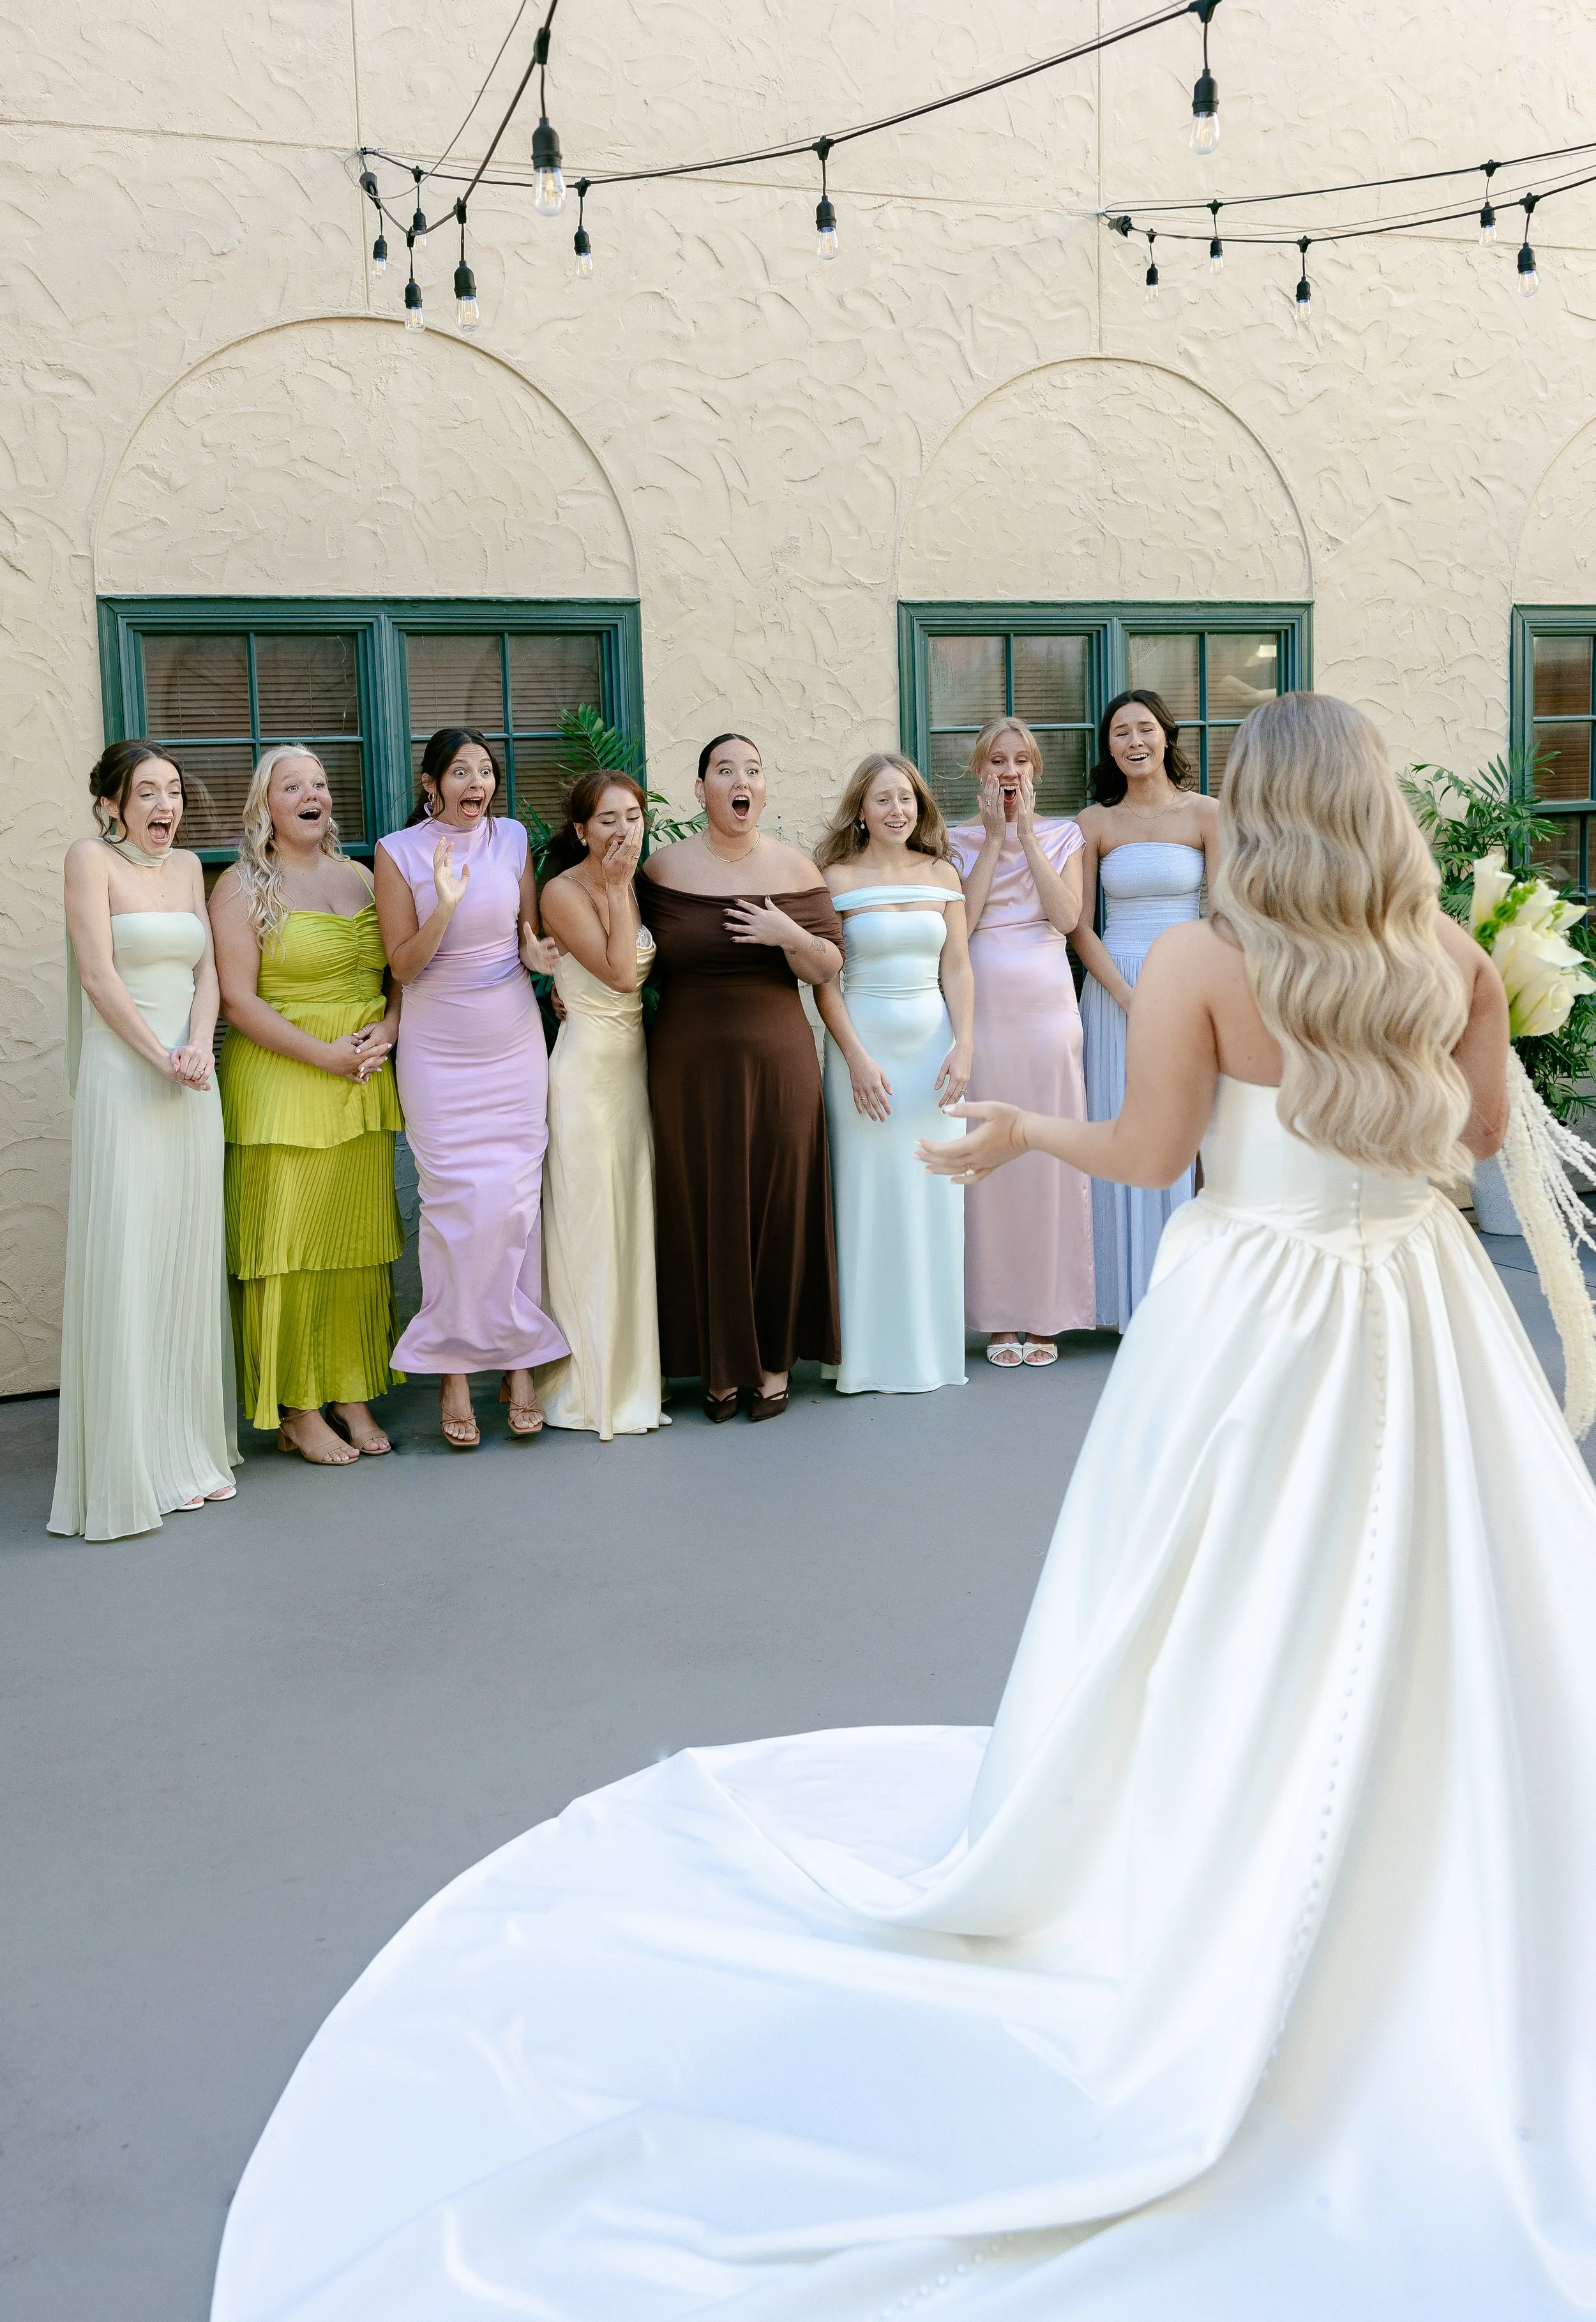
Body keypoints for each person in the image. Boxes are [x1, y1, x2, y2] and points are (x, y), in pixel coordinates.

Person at [218, 694, 1596, 2322]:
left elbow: (1152, 1154)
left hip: (1262, 1321)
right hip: (1420, 1315)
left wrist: (1023, 1127)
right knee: (1449, 1586)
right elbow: (1487, 1136)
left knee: (1226, 1598)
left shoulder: (1211, 969)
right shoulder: (1446, 959)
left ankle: (1231, 1838)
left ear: (1265, 814)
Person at [50, 741, 237, 1539]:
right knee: (131, 1257)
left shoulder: (191, 868)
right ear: (112, 805)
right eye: (148, 792)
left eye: (173, 792)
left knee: (184, 1259)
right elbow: (98, 976)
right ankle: (134, 1465)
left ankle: (188, 1449)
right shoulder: (87, 859)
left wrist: (198, 1047)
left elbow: (210, 976)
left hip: (192, 1081)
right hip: (127, 1078)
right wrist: (159, 1056)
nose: (166, 806)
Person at [638, 733, 844, 1421]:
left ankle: (772, 1362)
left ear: (763, 788)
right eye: (724, 769)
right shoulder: (662, 872)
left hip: (778, 1063)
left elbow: (825, 969)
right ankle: (717, 1367)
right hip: (686, 1067)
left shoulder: (795, 868)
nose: (740, 779)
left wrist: (788, 935)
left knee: (778, 1203)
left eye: (751, 769)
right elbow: (625, 951)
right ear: (700, 790)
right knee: (699, 1202)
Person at [210, 747, 403, 1466]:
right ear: (266, 804)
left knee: (352, 1246)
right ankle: (296, 1406)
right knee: (290, 1249)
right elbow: (238, 1000)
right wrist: (328, 1057)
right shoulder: (239, 888)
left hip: (361, 1082)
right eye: (293, 785)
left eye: (319, 783)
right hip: (286, 1080)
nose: (310, 793)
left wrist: (388, 1027)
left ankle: (350, 1390)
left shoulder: (359, 876)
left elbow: (399, 970)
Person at [373, 730, 566, 1449]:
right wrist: (445, 907)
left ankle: (518, 1362)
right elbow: (404, 966)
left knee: (514, 1202)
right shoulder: (397, 854)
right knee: (453, 1205)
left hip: (512, 1038)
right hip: (438, 1048)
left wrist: (539, 954)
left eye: (486, 771)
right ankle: (453, 1369)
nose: (477, 783)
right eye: (461, 772)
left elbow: (526, 935)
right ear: (432, 784)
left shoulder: (512, 838)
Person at [813, 753, 973, 1394]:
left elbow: (957, 967)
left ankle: (931, 1355)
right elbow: (825, 979)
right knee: (867, 1194)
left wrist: (965, 1046)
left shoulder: (942, 873)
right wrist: (853, 1057)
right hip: (864, 1051)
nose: (896, 810)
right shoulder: (834, 878)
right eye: (882, 799)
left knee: (933, 1190)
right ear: (861, 809)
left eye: (905, 798)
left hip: (934, 1053)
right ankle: (865, 1359)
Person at [1073, 689, 1221, 1329]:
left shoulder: (1209, 815)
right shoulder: (1094, 823)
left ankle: (1183, 1300)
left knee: (1189, 1137)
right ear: (1109, 748)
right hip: (1114, 991)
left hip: (1187, 982)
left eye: (1144, 730)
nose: (1134, 742)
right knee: (1119, 1128)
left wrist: (1187, 996)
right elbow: (1078, 927)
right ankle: (1118, 1302)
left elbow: (1224, 917)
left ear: (1166, 737)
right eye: (1120, 734)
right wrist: (1130, 997)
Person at [947, 717, 1093, 1367]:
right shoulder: (954, 841)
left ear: (1035, 772)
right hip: (988, 1014)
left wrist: (1026, 836)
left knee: (1048, 1153)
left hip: (1047, 1012)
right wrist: (992, 840)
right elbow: (967, 920)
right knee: (990, 1155)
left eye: (1020, 761)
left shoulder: (1066, 835)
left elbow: (1066, 919)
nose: (1009, 770)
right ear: (980, 771)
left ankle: (1050, 1313)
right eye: (996, 760)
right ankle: (998, 1314)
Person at [534, 771, 666, 1440]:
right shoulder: (564, 891)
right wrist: (616, 888)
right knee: (588, 1227)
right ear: (581, 830)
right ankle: (584, 1389)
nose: (624, 830)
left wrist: (626, 889)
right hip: (585, 1079)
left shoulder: (640, 886)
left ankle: (632, 1379)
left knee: (629, 1220)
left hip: (634, 1075)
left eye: (634, 816)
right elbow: (618, 978)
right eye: (608, 819)